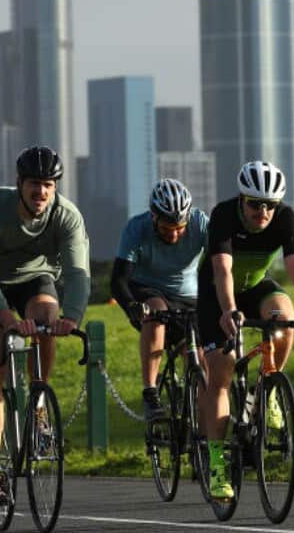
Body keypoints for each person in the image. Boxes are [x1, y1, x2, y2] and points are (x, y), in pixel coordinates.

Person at [196, 160, 294, 500]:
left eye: (270, 205)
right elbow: (222, 269)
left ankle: (267, 389)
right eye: (255, 204)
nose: (263, 211)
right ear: (242, 199)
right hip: (217, 292)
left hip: (256, 286)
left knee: (283, 318)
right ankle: (216, 463)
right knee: (222, 372)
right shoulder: (224, 215)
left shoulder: (285, 218)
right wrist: (229, 310)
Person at [0, 146, 90, 506]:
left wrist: (72, 318)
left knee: (46, 322)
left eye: (49, 185)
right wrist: (8, 322)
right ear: (19, 183)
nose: (42, 192)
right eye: (35, 183)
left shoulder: (67, 216)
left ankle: (38, 408)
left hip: (37, 279)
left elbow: (79, 274)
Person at [110, 178, 209, 421]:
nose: (174, 234)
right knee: (156, 313)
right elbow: (118, 280)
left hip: (188, 297)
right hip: (147, 290)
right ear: (154, 217)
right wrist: (132, 306)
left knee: (199, 361)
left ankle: (203, 434)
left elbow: (221, 263)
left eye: (179, 227)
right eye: (167, 228)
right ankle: (150, 393)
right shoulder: (137, 228)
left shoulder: (200, 223)